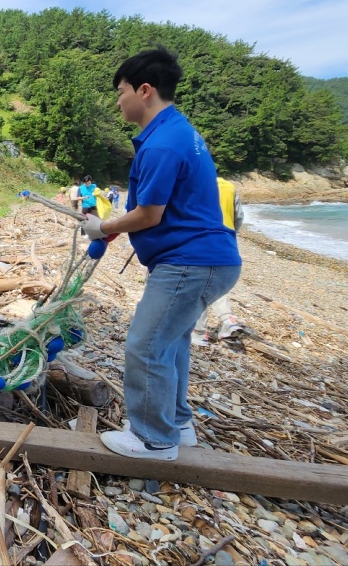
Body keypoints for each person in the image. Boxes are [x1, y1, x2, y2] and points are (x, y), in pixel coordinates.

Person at [81, 48, 241, 461]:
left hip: (190, 262)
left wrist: (105, 226)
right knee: (171, 345)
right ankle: (179, 424)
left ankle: (154, 439)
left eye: (121, 91)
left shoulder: (163, 145)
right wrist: (119, 227)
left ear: (145, 90)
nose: (118, 101)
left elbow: (150, 214)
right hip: (209, 259)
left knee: (146, 345)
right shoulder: (179, 131)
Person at [192, 177, 246, 344]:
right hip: (225, 243)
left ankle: (199, 333)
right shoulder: (229, 186)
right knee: (214, 285)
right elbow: (238, 217)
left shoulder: (194, 182)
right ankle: (228, 320)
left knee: (200, 286)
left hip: (199, 239)